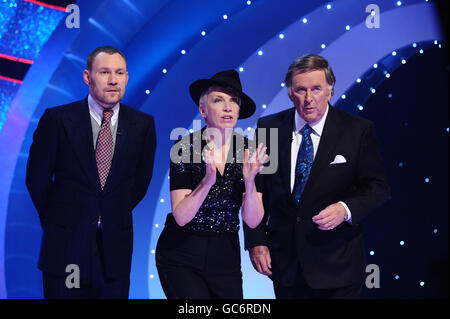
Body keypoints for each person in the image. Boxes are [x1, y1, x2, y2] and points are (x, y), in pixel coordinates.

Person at [244, 54, 389, 299]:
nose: (309, 99)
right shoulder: (269, 128)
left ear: (330, 91)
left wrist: (345, 209)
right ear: (291, 94)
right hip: (285, 265)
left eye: (316, 89)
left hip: (338, 265)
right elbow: (258, 189)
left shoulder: (357, 130)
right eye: (301, 90)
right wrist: (256, 242)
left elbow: (377, 187)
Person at [26, 46, 157, 298]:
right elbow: (37, 179)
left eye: (119, 73)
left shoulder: (142, 125)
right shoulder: (58, 119)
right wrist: (60, 220)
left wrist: (111, 212)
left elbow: (140, 182)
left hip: (114, 250)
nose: (112, 80)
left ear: (127, 78)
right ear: (88, 77)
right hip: (65, 248)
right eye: (105, 72)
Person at [155, 70, 267, 299]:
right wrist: (207, 182)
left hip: (225, 251)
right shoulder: (184, 148)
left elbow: (253, 220)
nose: (228, 107)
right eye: (219, 100)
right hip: (181, 251)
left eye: (233, 101)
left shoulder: (250, 151)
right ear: (203, 109)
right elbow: (181, 217)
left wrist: (250, 180)